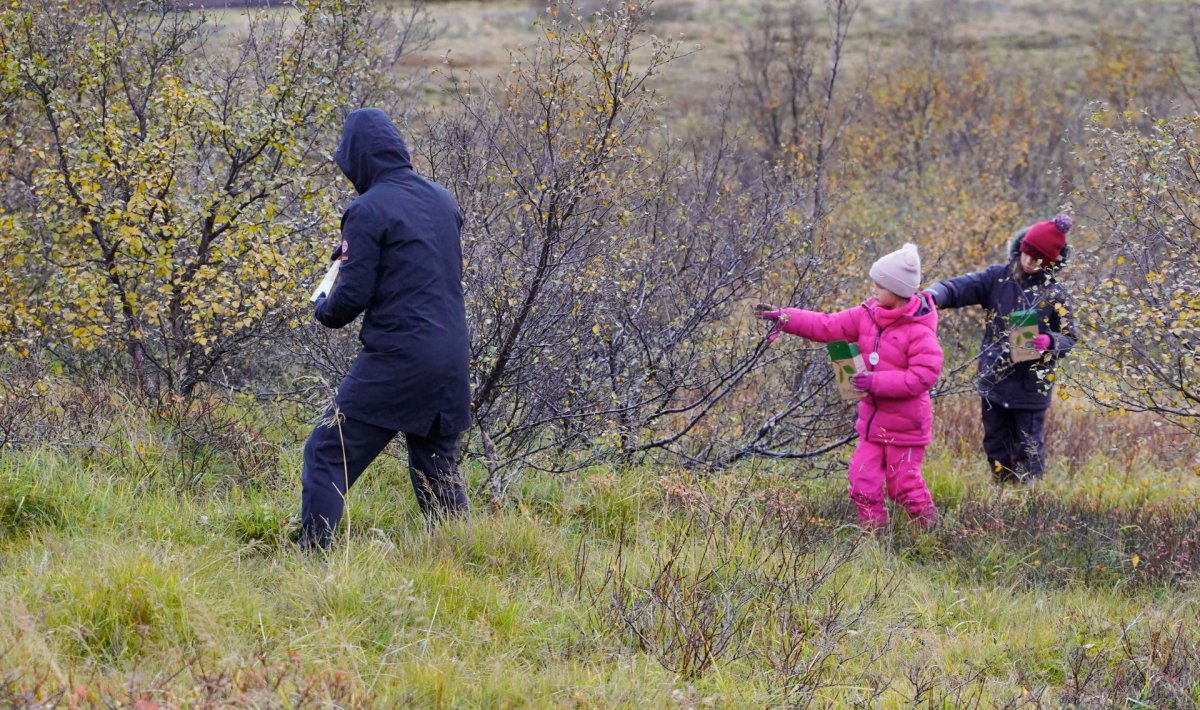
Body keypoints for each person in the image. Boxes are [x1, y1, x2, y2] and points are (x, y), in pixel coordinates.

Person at [299, 108, 472, 549]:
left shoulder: (367, 209)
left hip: (400, 357)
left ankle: (311, 560)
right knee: (437, 468)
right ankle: (466, 560)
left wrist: (322, 305)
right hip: (451, 357)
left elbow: (347, 303)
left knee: (327, 451)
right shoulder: (443, 199)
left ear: (357, 157)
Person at [757, 243, 942, 529]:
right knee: (862, 482)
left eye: (880, 286)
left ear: (899, 290)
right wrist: (786, 318)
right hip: (871, 425)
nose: (874, 290)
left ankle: (929, 532)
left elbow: (922, 377)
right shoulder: (866, 315)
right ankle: (872, 536)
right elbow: (827, 325)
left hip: (906, 430)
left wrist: (875, 382)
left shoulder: (919, 332)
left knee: (903, 486)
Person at [924, 214, 1076, 484]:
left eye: (1039, 260)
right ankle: (1002, 491)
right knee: (995, 444)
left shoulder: (1056, 293)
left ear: (1050, 263)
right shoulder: (997, 278)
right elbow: (959, 287)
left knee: (1029, 448)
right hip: (994, 381)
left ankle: (1029, 496)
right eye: (1028, 255)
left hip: (1032, 388)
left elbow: (1069, 337)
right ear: (1021, 249)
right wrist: (934, 295)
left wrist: (1050, 341)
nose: (1030, 263)